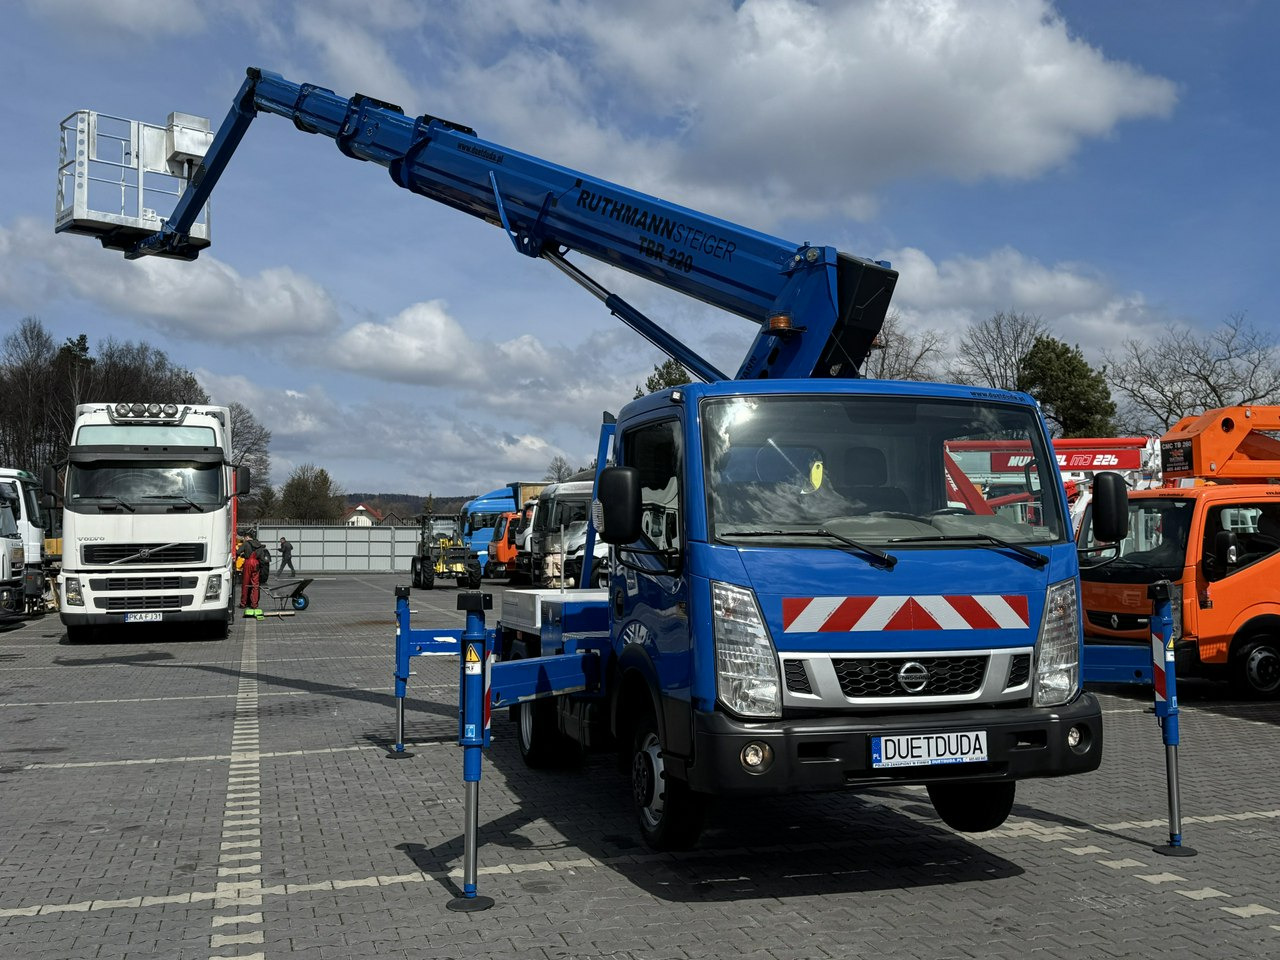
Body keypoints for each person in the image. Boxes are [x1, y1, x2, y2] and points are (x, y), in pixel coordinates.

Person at [240, 544, 260, 609]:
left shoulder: (246, 544)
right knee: (255, 585)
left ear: (247, 537)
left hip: (248, 563)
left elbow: (238, 552)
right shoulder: (258, 545)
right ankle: (254, 604)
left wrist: (243, 555)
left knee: (245, 584)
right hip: (256, 563)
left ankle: (243, 603)